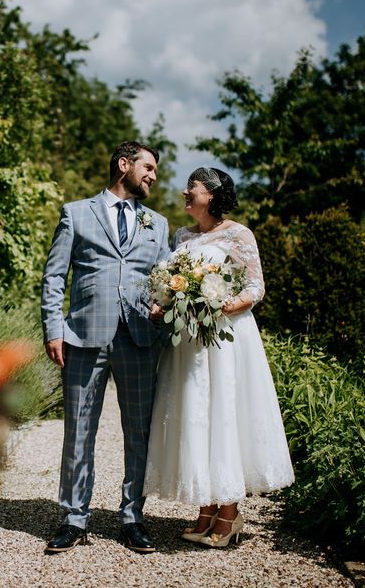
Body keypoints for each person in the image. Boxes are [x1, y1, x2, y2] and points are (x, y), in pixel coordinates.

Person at [142, 167, 294, 547]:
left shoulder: (239, 234)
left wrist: (219, 305)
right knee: (197, 418)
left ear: (211, 194)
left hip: (224, 339)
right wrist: (165, 304)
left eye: (190, 187)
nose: (183, 193)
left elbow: (256, 287)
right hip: (189, 344)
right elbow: (171, 286)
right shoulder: (182, 236)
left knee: (223, 415)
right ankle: (206, 509)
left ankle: (230, 514)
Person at [40, 141, 171, 554]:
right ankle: (74, 518)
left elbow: (167, 280)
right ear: (123, 165)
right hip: (82, 337)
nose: (152, 176)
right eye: (147, 168)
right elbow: (54, 276)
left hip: (139, 339)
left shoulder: (158, 223)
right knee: (78, 432)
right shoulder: (76, 213)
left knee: (139, 433)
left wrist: (160, 304)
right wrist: (53, 329)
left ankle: (132, 517)